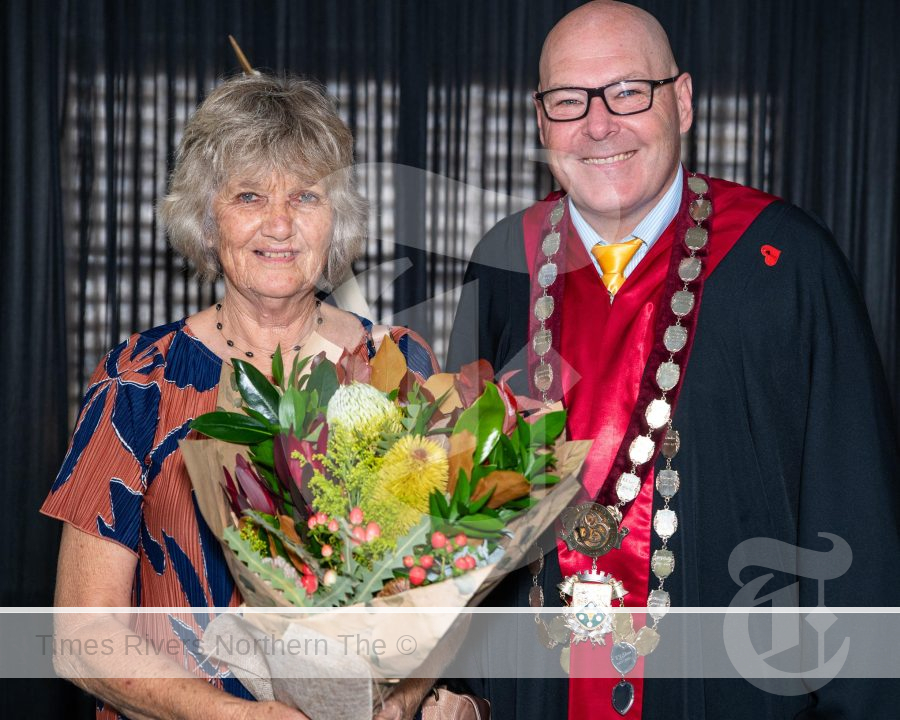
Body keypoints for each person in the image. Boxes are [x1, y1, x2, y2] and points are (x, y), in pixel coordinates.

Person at [446, 2, 900, 718]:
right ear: (541, 124)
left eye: (628, 91)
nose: (599, 124)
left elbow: (854, 512)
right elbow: (461, 514)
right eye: (569, 101)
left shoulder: (785, 262)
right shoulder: (503, 263)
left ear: (681, 101)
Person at [42, 73, 438, 720]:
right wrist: (243, 717)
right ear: (206, 218)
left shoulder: (398, 365)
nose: (279, 224)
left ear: (335, 219)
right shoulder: (139, 381)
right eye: (249, 195)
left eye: (305, 197)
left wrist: (399, 701)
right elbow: (81, 639)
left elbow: (440, 590)